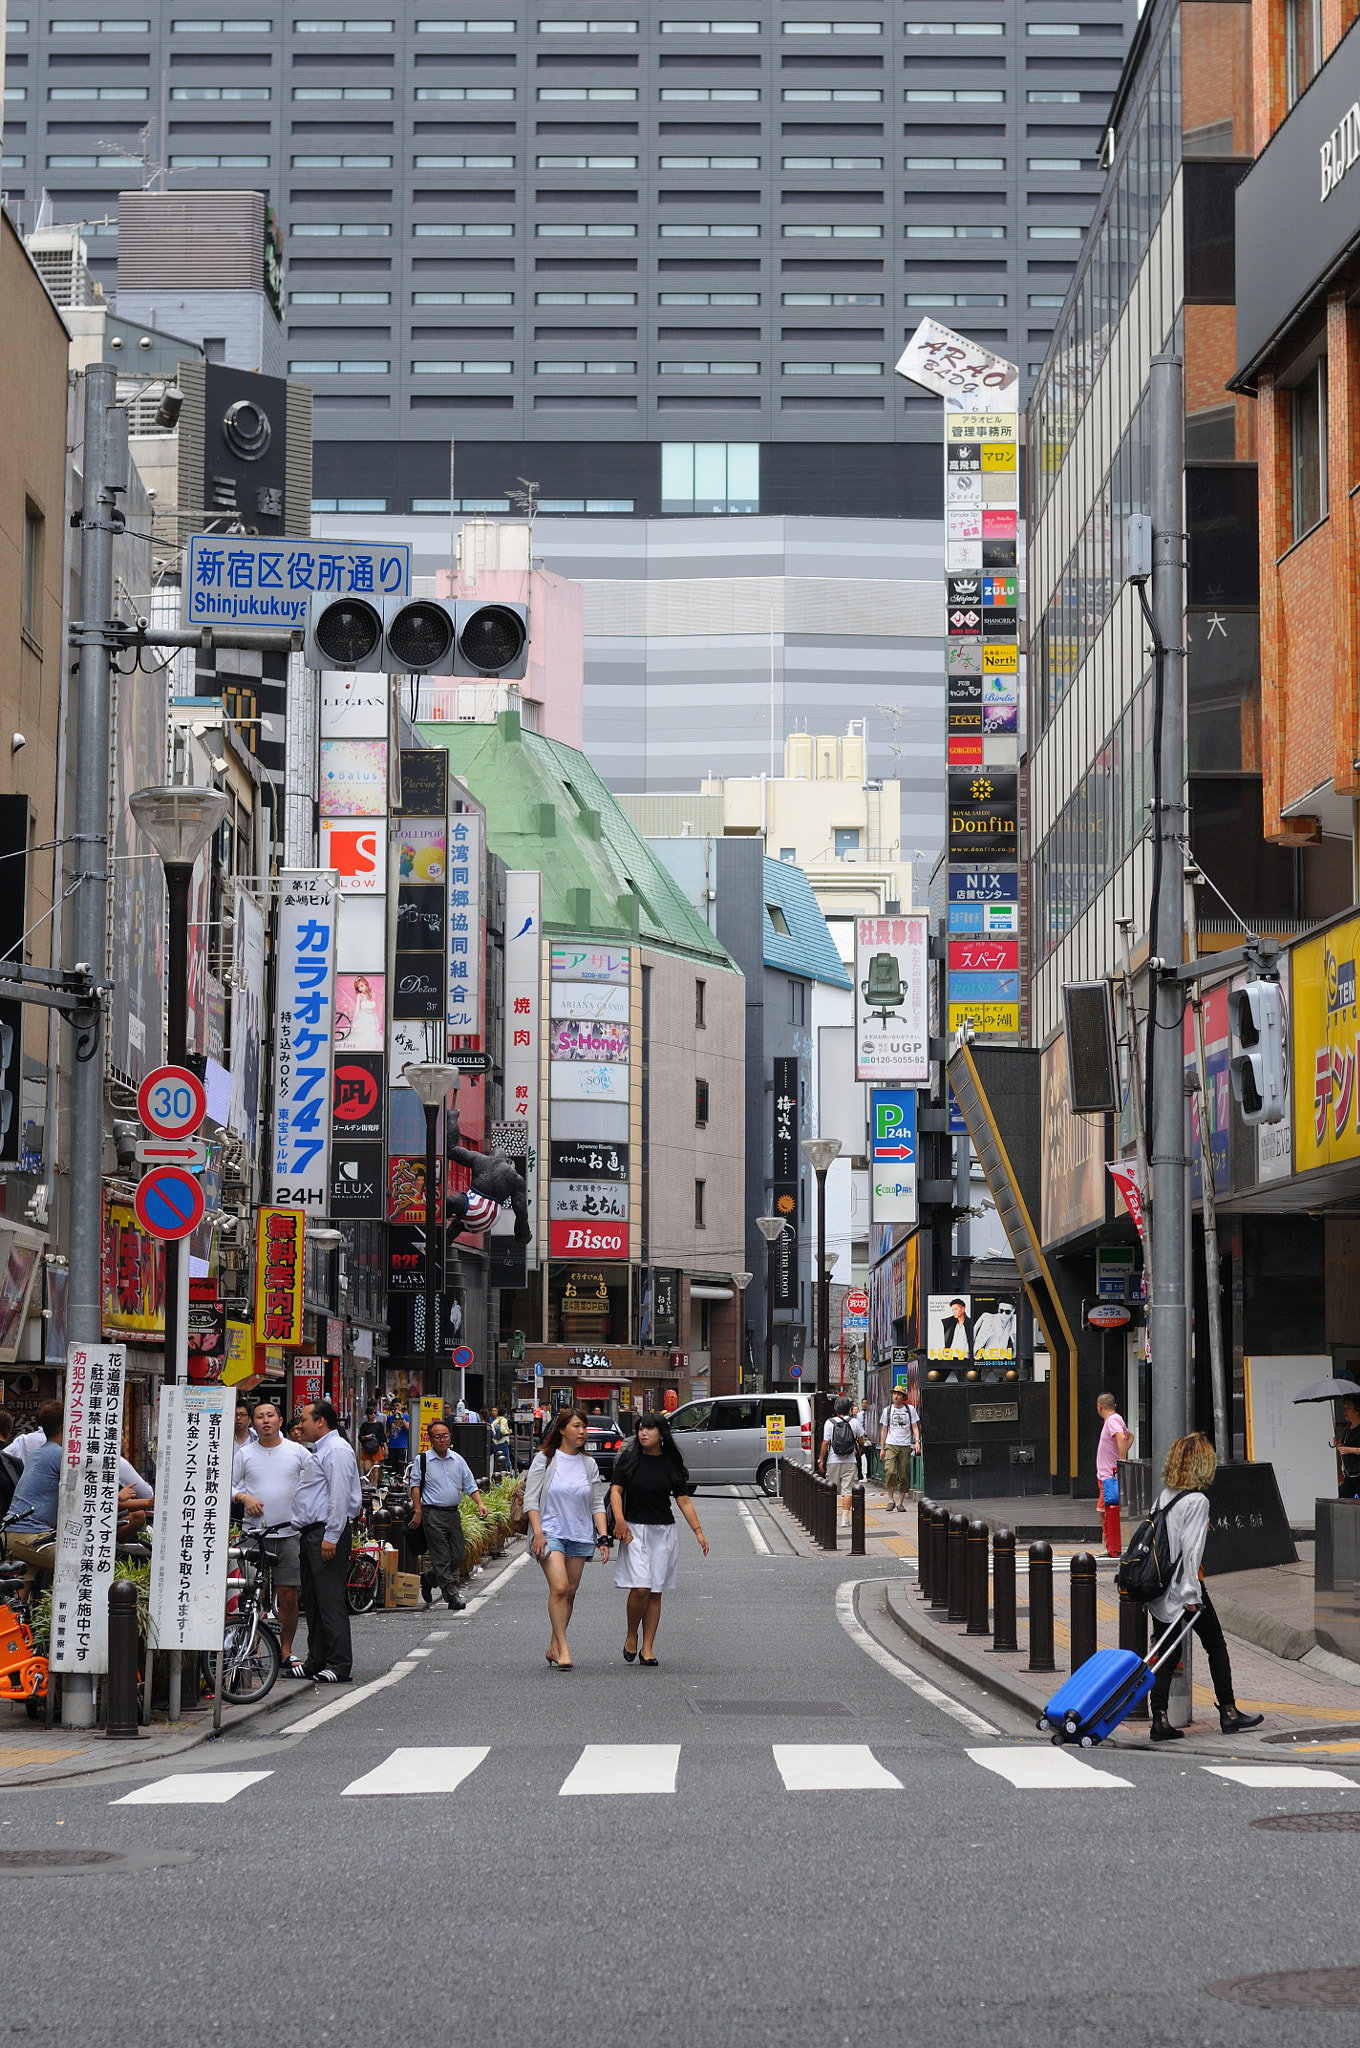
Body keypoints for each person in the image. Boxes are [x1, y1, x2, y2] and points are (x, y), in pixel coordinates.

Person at [1147, 1431, 1263, 1742]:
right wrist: (1191, 1596)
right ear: (1202, 1465)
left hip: (1160, 1590)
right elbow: (1191, 1549)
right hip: (1186, 1588)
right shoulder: (1197, 1501)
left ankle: (1159, 1718)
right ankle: (1228, 1712)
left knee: (1165, 1655)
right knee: (1215, 1644)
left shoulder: (1164, 1496)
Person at [610, 1411, 708, 1667]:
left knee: (655, 1592)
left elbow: (683, 1500)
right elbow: (616, 1491)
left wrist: (698, 1531)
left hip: (662, 1531)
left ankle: (648, 1648)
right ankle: (632, 1634)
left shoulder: (670, 1463)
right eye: (641, 1428)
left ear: (661, 1434)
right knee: (641, 1586)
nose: (644, 1433)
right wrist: (619, 1521)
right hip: (633, 1529)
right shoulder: (629, 1459)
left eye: (650, 1429)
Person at [524, 1405, 611, 1671]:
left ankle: (553, 1646)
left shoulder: (589, 1464)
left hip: (580, 1534)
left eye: (584, 1427)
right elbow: (531, 1499)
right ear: (562, 1430)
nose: (582, 1431)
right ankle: (563, 1647)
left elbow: (597, 1503)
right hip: (550, 1533)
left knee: (570, 1593)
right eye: (576, 1426)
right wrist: (538, 1533)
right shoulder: (546, 1459)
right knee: (559, 1588)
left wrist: (604, 1537)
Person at [232, 1398, 314, 1678]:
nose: (265, 1420)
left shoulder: (298, 1452)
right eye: (259, 1416)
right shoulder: (244, 1454)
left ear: (280, 1421)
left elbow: (315, 1483)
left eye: (270, 1415)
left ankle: (286, 1650)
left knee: (288, 1594)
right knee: (251, 1593)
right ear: (253, 1423)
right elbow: (228, 1486)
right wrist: (244, 1497)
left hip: (289, 1533)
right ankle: (252, 1648)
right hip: (254, 1533)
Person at [294, 1399, 362, 1684]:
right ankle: (317, 1659)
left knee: (329, 1599)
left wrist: (331, 1535)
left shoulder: (336, 1450)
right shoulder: (321, 1450)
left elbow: (339, 1496)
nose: (300, 1425)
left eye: (304, 1420)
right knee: (313, 1599)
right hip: (313, 1532)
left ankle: (338, 1663)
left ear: (320, 1421)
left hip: (326, 1532)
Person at [408, 1419, 487, 1610]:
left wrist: (480, 1503)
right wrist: (418, 1511)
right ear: (431, 1439)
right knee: (441, 1557)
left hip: (453, 1514)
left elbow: (469, 1484)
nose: (442, 1440)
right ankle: (452, 1597)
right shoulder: (423, 1460)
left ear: (450, 1437)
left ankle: (428, 1578)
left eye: (445, 1436)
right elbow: (415, 1486)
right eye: (438, 1436)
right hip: (432, 1514)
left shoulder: (457, 1460)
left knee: (458, 1555)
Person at [1095, 1392, 1133, 1557]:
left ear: (1099, 1407)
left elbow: (1121, 1437)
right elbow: (1129, 1436)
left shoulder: (1112, 1420)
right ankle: (1110, 1544)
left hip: (1108, 1477)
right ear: (1114, 1405)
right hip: (1107, 1475)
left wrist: (1121, 1461)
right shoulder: (1115, 1420)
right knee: (1107, 1510)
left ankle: (1109, 1545)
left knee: (1103, 1511)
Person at [820, 1397, 862, 1526]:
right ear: (849, 1408)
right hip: (850, 1460)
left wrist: (821, 1459)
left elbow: (826, 1442)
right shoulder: (854, 1422)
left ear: (836, 1408)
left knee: (831, 1489)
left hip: (833, 1460)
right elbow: (861, 1440)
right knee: (848, 1490)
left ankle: (831, 1516)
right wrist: (858, 1453)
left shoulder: (829, 1422)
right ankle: (845, 1517)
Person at [878, 1386, 920, 1512]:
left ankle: (901, 1502)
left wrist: (917, 1441)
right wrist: (882, 1448)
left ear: (903, 1397)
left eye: (899, 1394)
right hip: (891, 1444)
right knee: (889, 1471)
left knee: (904, 1474)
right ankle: (891, 1500)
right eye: (894, 1394)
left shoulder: (910, 1409)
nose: (896, 1396)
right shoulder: (888, 1410)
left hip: (905, 1445)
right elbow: (884, 1429)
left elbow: (915, 1427)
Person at [1332, 1394, 1360, 1500]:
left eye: (1348, 1408)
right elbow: (1344, 1449)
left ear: (1357, 1410)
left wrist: (1350, 1450)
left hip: (1358, 1472)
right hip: (1350, 1473)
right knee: (1343, 1498)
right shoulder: (1348, 1428)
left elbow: (1350, 1449)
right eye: (1344, 1408)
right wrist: (1339, 1445)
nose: (1345, 1411)